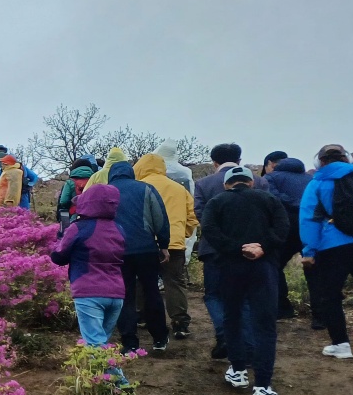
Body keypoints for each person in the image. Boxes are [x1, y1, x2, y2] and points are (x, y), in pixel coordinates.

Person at [201, 165, 288, 395]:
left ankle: (238, 370)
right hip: (264, 268)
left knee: (233, 316)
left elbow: (209, 230)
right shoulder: (269, 199)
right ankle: (262, 387)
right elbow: (283, 228)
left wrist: (235, 249)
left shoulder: (217, 202)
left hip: (229, 268)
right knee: (264, 325)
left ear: (226, 184)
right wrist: (262, 247)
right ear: (251, 182)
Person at [299, 143, 353, 360]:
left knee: (330, 295)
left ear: (320, 161)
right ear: (348, 159)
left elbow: (309, 219)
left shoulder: (317, 183)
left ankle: (341, 344)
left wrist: (309, 251)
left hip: (333, 247)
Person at [50, 183, 129, 377]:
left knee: (95, 346)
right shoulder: (119, 228)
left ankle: (122, 385)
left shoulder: (78, 228)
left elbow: (58, 257)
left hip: (88, 293)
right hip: (117, 294)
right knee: (100, 344)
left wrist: (62, 236)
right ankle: (98, 386)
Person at [195, 143, 256, 359]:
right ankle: (248, 346)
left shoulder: (203, 184)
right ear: (239, 160)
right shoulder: (259, 182)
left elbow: (201, 216)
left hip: (214, 249)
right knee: (246, 298)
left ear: (214, 162)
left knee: (214, 295)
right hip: (251, 250)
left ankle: (224, 335)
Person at [108, 158, 171, 353]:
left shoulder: (105, 191)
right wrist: (163, 244)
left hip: (116, 250)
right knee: (151, 291)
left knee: (124, 295)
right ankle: (159, 339)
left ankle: (129, 342)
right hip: (146, 249)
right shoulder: (146, 188)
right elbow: (160, 218)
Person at [135, 152, 199, 339]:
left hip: (144, 244)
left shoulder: (138, 187)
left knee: (141, 281)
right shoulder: (179, 189)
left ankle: (142, 317)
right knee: (175, 283)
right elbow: (192, 217)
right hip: (175, 243)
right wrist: (182, 234)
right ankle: (180, 323)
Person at [259, 155, 313, 319]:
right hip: (310, 228)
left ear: (273, 165)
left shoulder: (270, 178)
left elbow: (271, 199)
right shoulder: (310, 178)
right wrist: (303, 204)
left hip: (284, 229)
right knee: (314, 270)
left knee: (275, 267)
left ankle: (282, 308)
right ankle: (320, 315)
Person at [56, 159, 97, 234]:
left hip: (75, 216)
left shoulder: (70, 182)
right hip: (93, 217)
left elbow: (63, 201)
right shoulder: (95, 180)